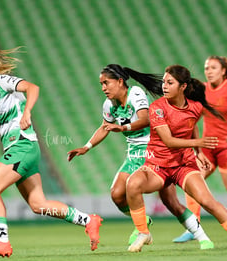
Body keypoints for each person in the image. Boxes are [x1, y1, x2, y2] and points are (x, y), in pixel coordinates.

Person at [0, 42, 102, 258]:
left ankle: (2, 242)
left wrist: (27, 112)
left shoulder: (1, 82)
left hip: (23, 144)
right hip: (19, 148)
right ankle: (88, 220)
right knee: (39, 205)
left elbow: (32, 88)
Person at [67, 64, 214, 250]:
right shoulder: (109, 105)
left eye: (106, 83)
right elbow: (104, 126)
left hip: (154, 151)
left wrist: (123, 128)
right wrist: (86, 147)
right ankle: (143, 223)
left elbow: (146, 119)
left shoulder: (135, 93)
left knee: (171, 202)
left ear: (120, 82)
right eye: (101, 84)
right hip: (134, 153)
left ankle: (202, 237)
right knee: (117, 195)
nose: (103, 88)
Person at [126, 64, 227, 252]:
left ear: (183, 87)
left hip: (183, 166)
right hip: (157, 166)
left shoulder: (195, 107)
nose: (164, 86)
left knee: (207, 201)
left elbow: (191, 126)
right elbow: (169, 141)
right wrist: (199, 144)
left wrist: (199, 153)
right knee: (132, 184)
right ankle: (143, 232)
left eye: (170, 83)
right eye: (164, 82)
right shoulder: (157, 108)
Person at [174, 56, 227, 243]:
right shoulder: (201, 90)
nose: (209, 71)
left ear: (223, 71)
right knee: (191, 183)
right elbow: (194, 115)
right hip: (208, 147)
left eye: (213, 68)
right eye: (206, 68)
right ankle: (193, 228)